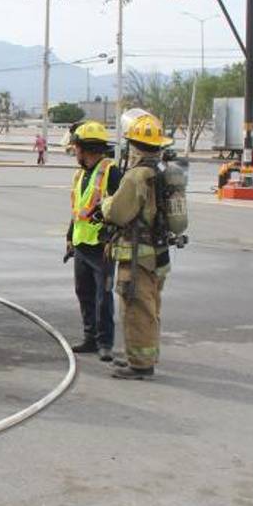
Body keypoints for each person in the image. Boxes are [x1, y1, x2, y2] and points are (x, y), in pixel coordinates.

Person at [99, 114, 173, 380]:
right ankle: (144, 355)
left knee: (136, 309)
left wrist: (106, 203)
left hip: (137, 257)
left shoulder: (136, 177)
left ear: (134, 145)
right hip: (159, 254)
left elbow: (118, 213)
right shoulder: (162, 172)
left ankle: (140, 365)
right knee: (152, 307)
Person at [65, 120, 122, 361]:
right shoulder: (80, 174)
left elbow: (120, 209)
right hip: (81, 243)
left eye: (76, 147)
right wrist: (69, 237)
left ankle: (105, 343)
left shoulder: (111, 171)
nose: (74, 151)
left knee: (103, 297)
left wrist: (112, 236)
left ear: (84, 149)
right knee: (84, 293)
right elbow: (78, 209)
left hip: (102, 246)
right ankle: (90, 337)